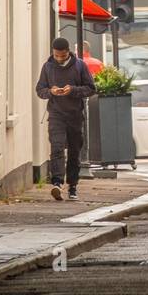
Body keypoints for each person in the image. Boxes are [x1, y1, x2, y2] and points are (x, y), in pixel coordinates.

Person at [36, 37, 97, 200]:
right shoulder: (48, 67)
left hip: (75, 115)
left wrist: (73, 90)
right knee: (56, 147)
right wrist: (51, 92)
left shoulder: (80, 66)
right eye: (56, 56)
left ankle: (72, 186)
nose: (59, 59)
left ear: (68, 52)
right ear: (53, 53)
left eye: (62, 56)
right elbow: (40, 89)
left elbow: (91, 89)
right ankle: (57, 183)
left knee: (74, 151)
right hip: (56, 114)